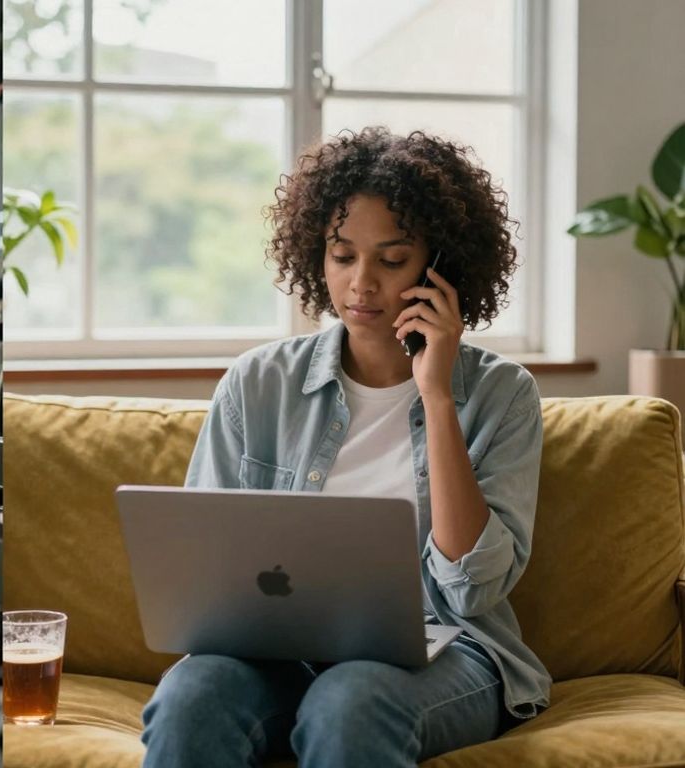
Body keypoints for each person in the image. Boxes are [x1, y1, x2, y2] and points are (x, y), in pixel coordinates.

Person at [140, 128, 551, 767]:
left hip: (448, 652)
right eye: (341, 255)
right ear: (316, 255)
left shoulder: (502, 395)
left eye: (391, 260)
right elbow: (204, 584)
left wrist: (438, 399)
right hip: (279, 655)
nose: (361, 284)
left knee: (350, 698)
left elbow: (474, 590)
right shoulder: (257, 383)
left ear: (440, 266)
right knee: (192, 692)